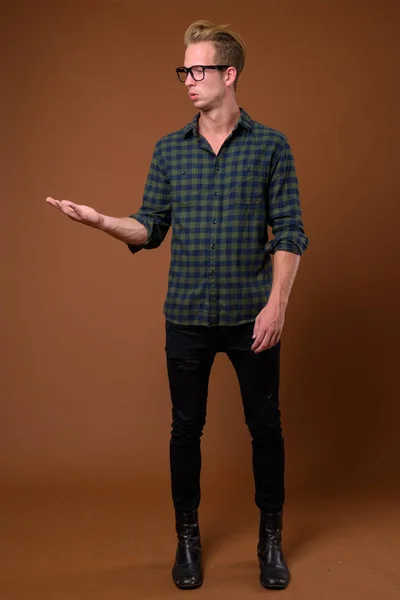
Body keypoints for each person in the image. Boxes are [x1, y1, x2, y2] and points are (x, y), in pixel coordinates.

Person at [46, 19, 309, 591]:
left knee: (266, 427)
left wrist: (277, 304)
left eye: (198, 69)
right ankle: (186, 540)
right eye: (183, 70)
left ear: (228, 74)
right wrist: (101, 223)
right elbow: (150, 228)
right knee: (185, 428)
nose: (187, 80)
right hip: (186, 317)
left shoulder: (271, 146)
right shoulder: (170, 150)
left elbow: (288, 231)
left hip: (251, 316)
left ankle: (271, 539)